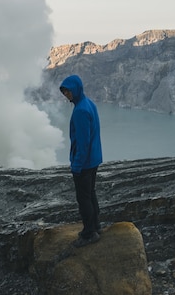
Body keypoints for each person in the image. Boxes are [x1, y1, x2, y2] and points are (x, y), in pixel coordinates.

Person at [59, 74, 103, 247]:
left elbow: (83, 143)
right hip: (94, 159)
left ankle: (88, 233)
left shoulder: (80, 111)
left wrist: (76, 165)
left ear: (76, 89)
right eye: (64, 92)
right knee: (90, 194)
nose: (66, 95)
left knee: (83, 199)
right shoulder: (88, 103)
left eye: (68, 91)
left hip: (84, 163)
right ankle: (96, 226)